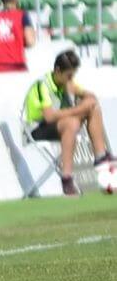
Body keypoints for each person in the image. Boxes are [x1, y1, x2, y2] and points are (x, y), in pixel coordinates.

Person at [24, 49, 113, 196]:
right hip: (37, 128)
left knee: (93, 106)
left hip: (60, 124)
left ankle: (100, 156)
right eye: (69, 75)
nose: (71, 78)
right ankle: (66, 178)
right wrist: (80, 108)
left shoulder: (67, 82)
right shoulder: (43, 85)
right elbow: (49, 117)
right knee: (71, 123)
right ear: (58, 71)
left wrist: (88, 98)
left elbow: (88, 95)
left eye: (73, 74)